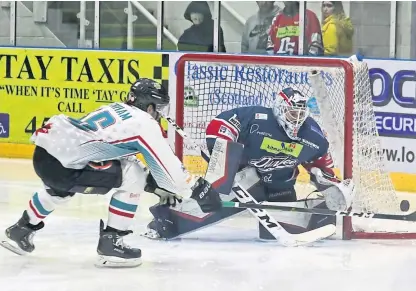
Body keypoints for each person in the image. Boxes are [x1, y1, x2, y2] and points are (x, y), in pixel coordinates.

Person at [0, 78, 208, 268]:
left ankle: (20, 230)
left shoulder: (117, 110)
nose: (160, 113)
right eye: (159, 108)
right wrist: (197, 189)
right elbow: (171, 174)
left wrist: (155, 187)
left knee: (60, 189)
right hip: (66, 165)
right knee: (133, 175)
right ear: (150, 105)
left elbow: (112, 154)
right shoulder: (145, 123)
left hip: (45, 156)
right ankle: (111, 243)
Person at [143, 87, 354, 241]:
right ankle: (166, 220)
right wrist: (225, 160)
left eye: (301, 114)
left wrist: (331, 187)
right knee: (215, 200)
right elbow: (222, 124)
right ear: (280, 109)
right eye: (292, 113)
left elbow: (321, 170)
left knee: (275, 233)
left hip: (281, 187)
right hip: (251, 179)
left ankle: (317, 219)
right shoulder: (258, 118)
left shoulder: (313, 137)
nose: (296, 119)